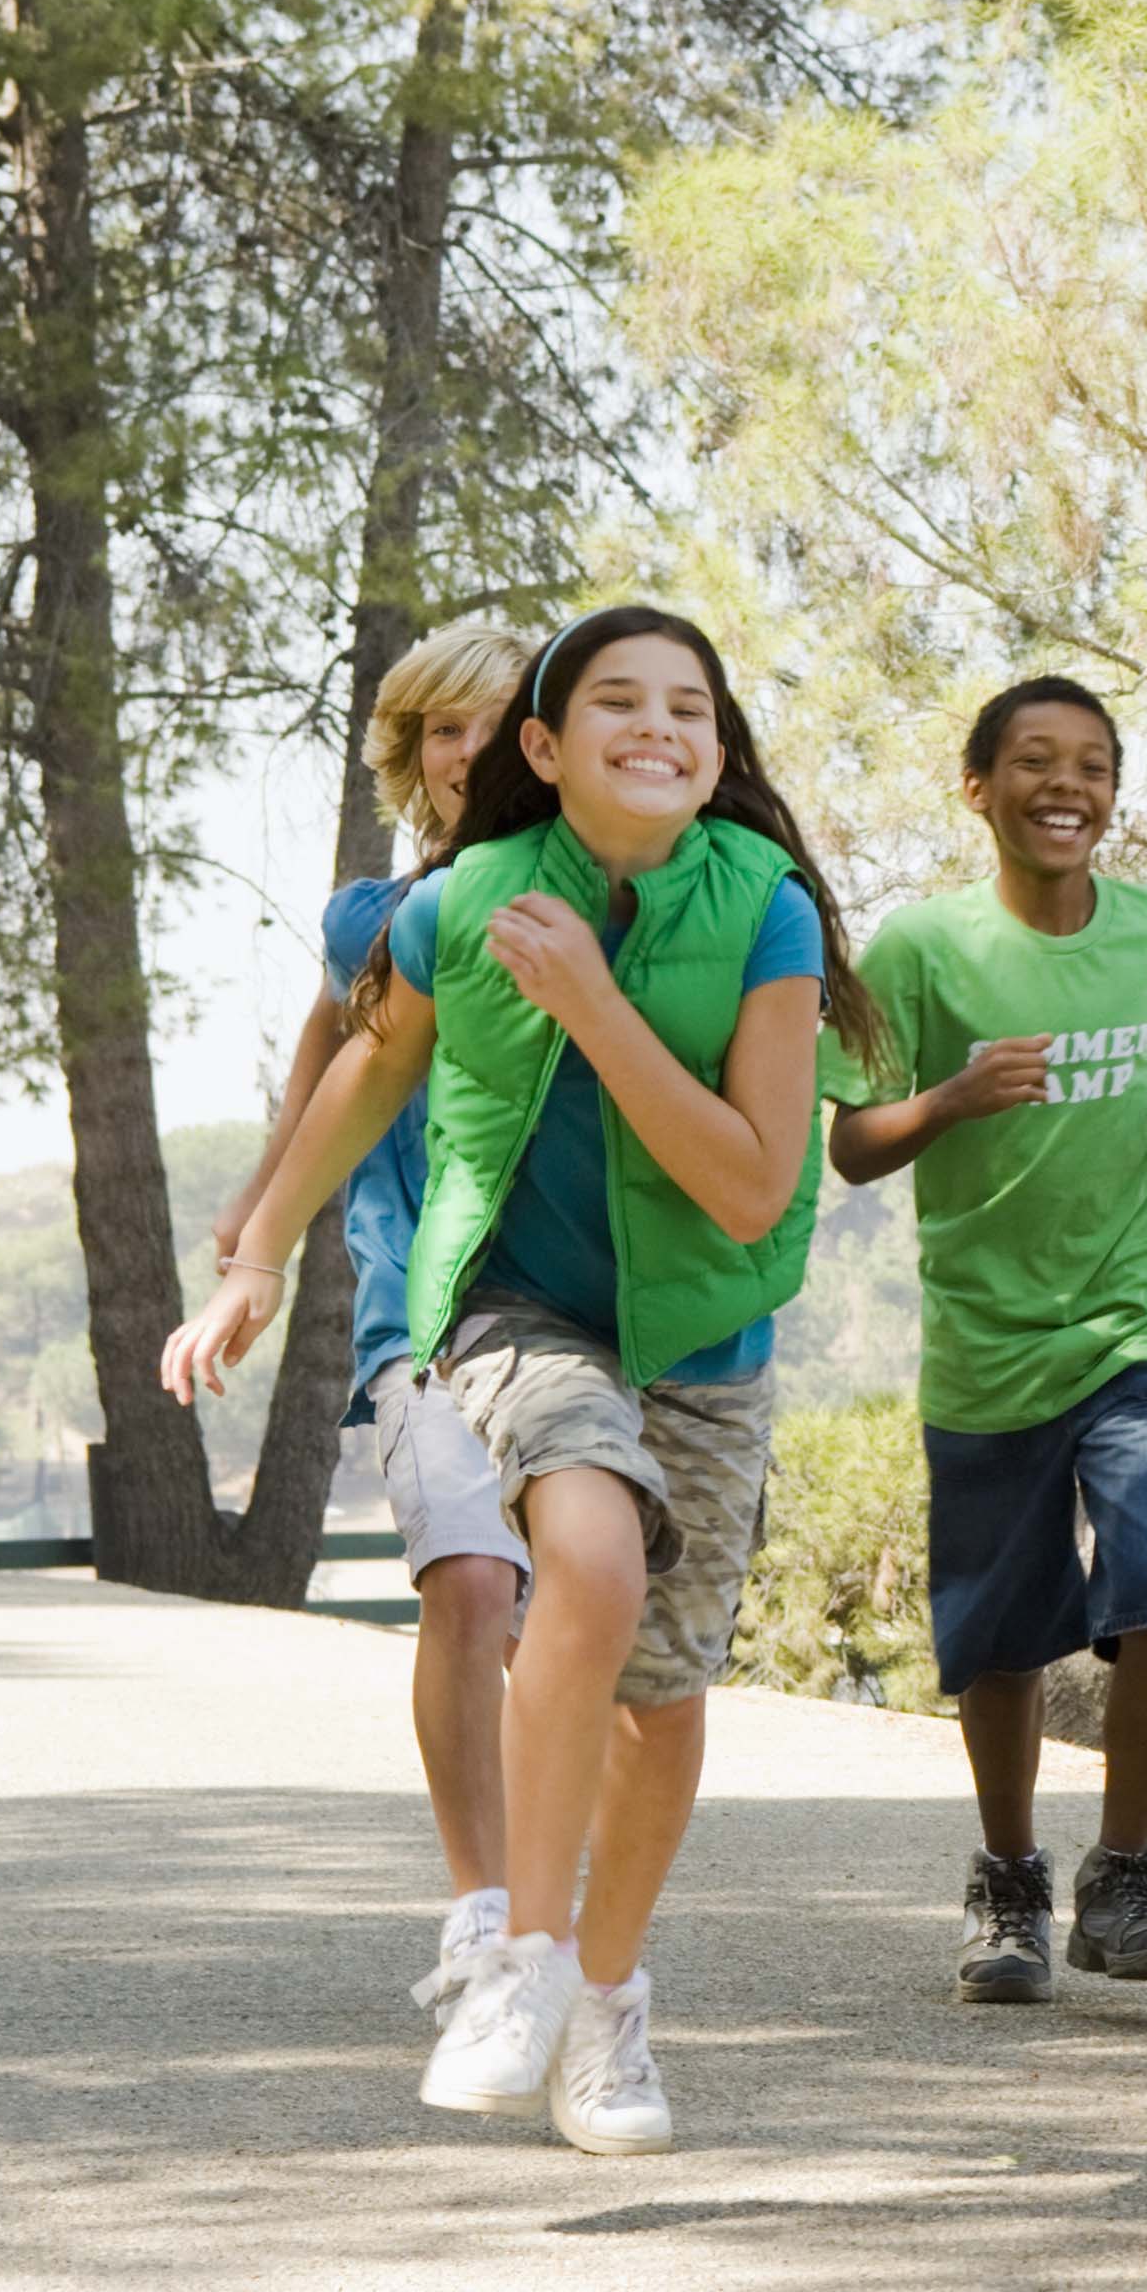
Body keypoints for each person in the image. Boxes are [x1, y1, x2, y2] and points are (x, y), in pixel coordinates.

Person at [171, 605, 875, 2157]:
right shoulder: (458, 904)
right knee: (586, 1560)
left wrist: (597, 1009)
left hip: (704, 1331)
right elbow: (369, 1071)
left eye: (689, 706)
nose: (658, 726)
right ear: (543, 752)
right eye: (614, 701)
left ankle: (607, 2003)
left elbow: (755, 1187)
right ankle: (524, 1959)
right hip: (510, 1305)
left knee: (666, 1702)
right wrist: (259, 1255)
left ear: (719, 747)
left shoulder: (768, 914)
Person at [823, 676, 1147, 2004]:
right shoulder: (919, 951)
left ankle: (1121, 1876)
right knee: (998, 1636)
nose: (1069, 785)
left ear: (1114, 793)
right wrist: (948, 1097)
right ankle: (1008, 1878)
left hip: (1142, 1323)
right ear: (978, 789)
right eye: (1038, 763)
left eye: (1094, 766)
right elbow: (849, 1143)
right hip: (986, 1342)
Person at [191, 616, 534, 2022]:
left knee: (586, 1627)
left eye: (497, 722)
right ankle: (485, 1911)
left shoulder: (600, 906)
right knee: (465, 1588)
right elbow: (339, 1053)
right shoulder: (371, 920)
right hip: (426, 1313)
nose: (470, 752)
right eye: (441, 729)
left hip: (595, 1315)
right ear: (411, 758)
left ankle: (567, 1905)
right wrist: (256, 1224)